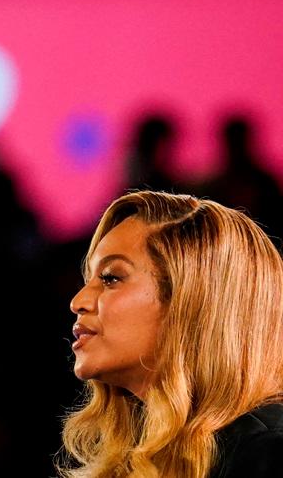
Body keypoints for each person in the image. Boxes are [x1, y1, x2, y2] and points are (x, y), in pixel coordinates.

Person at [57, 190, 283, 477]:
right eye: (88, 279)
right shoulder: (144, 454)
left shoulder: (268, 456)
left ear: (192, 300)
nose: (78, 302)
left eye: (111, 278)